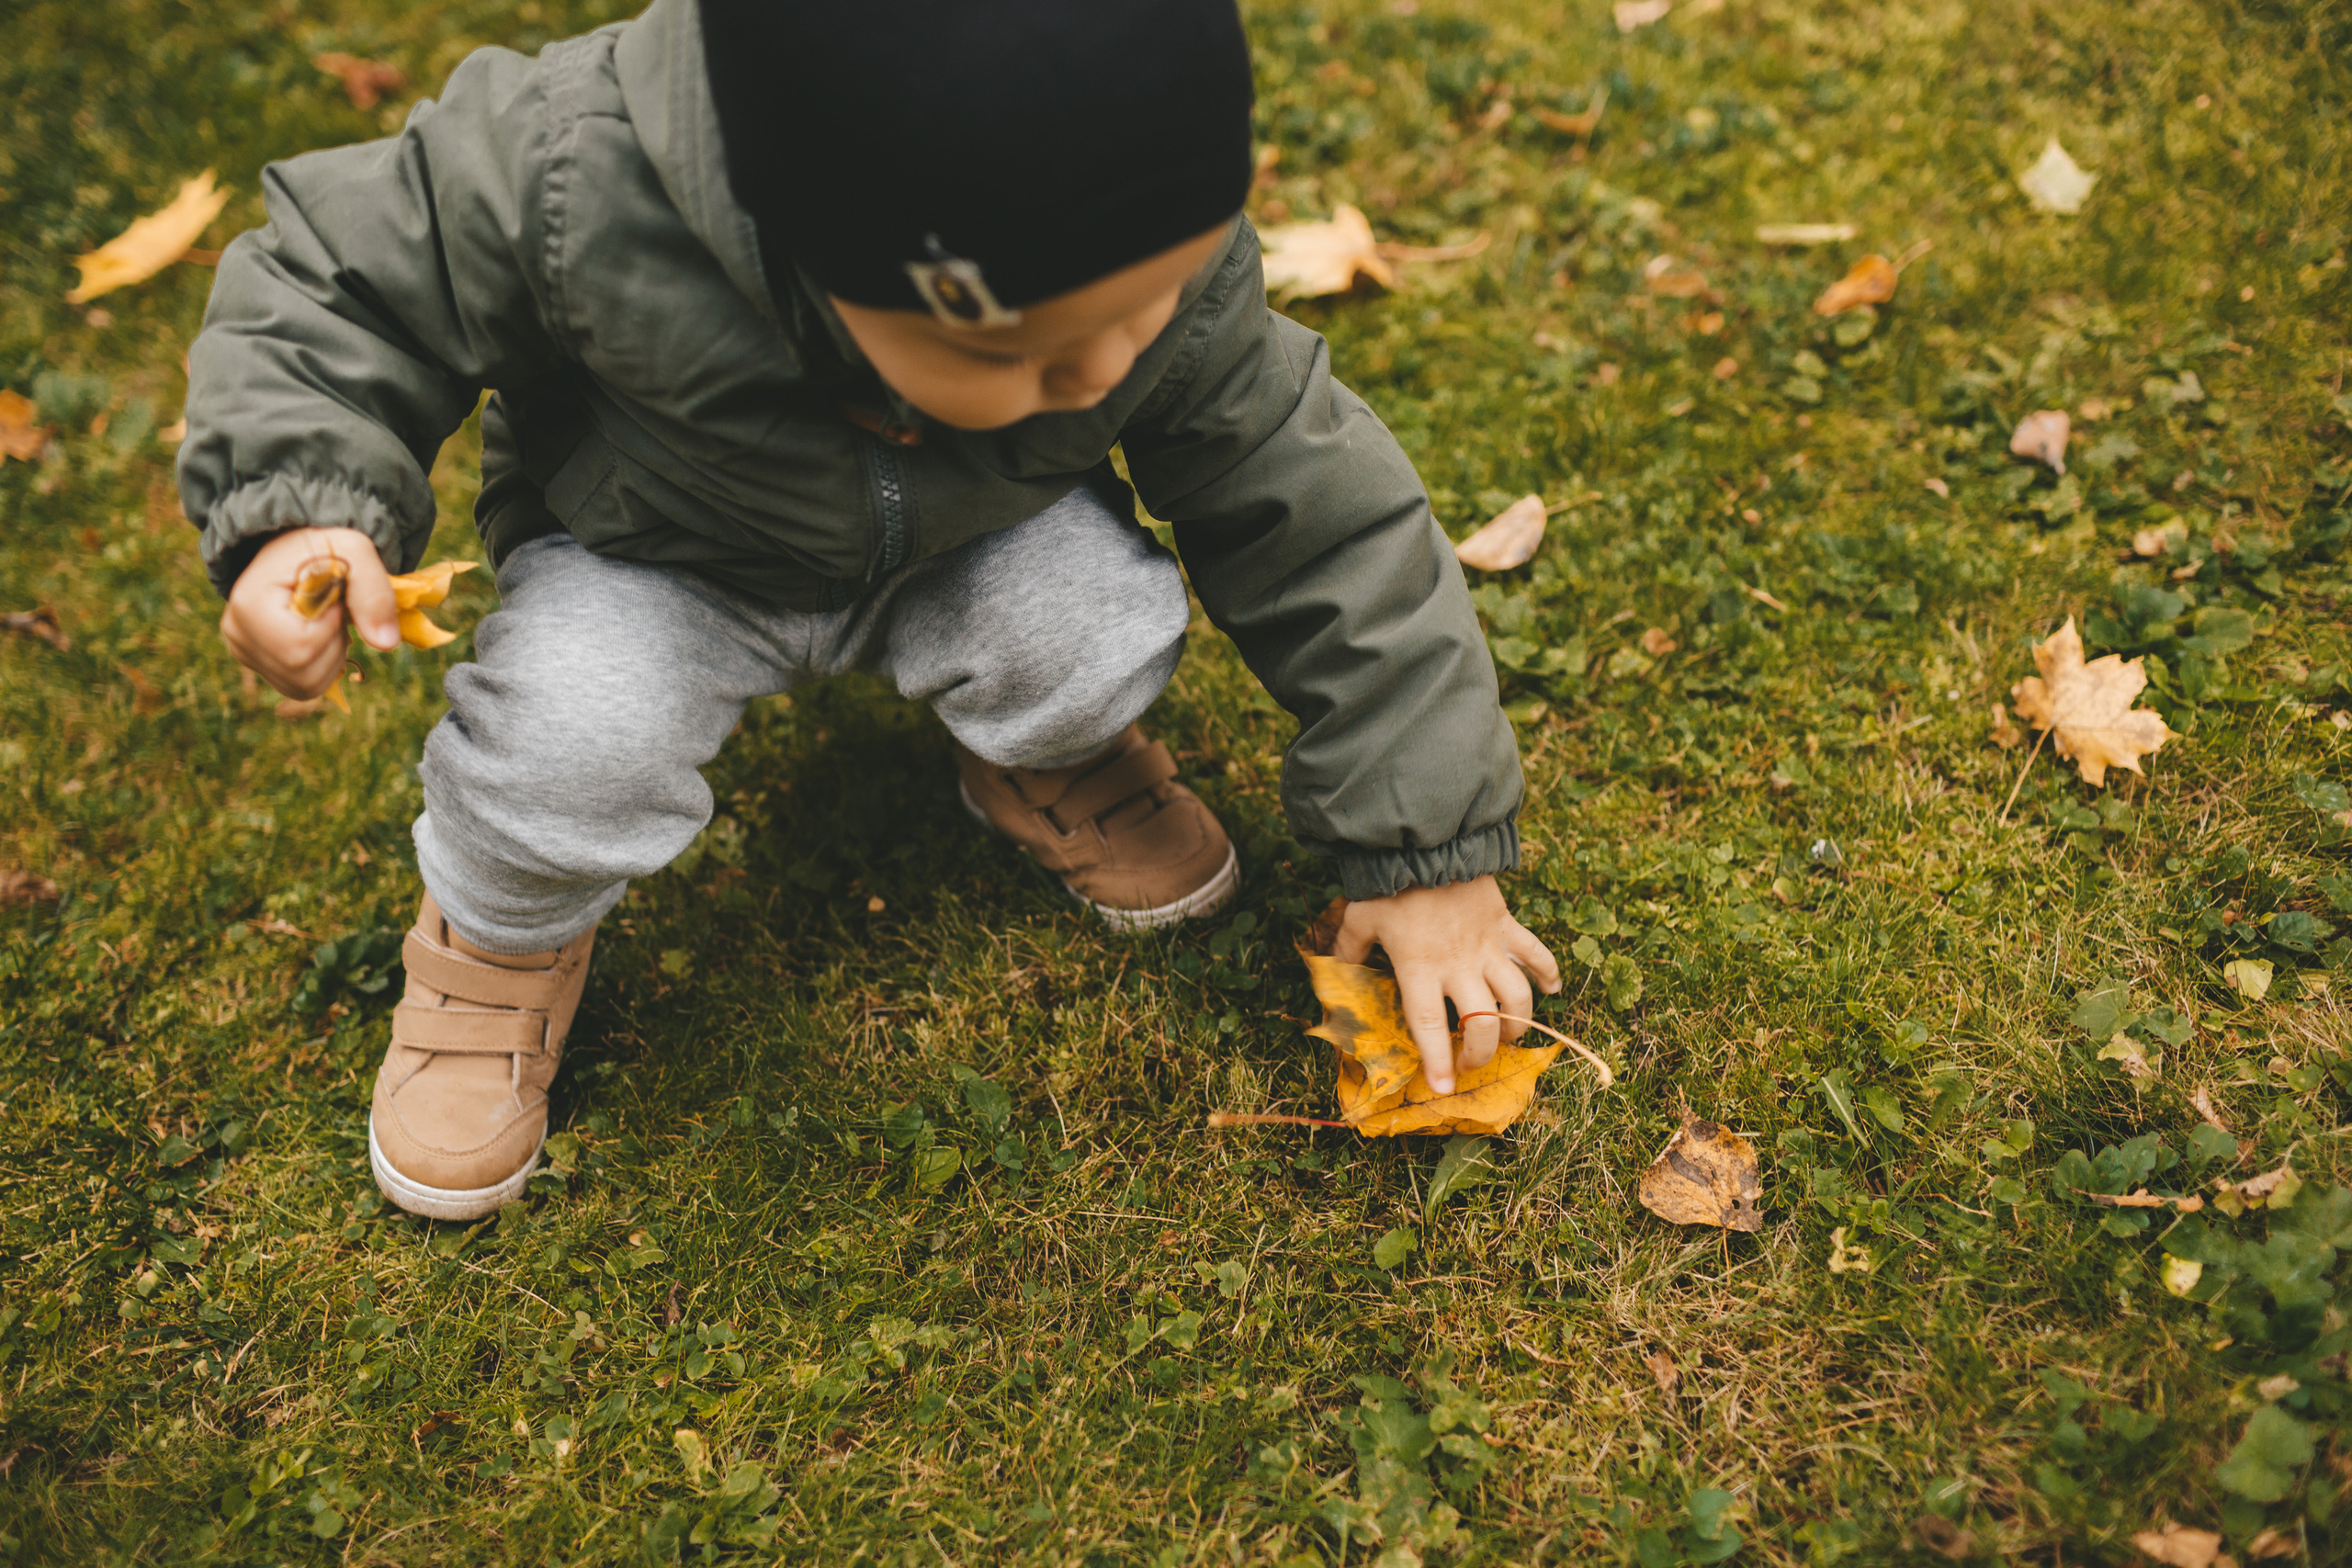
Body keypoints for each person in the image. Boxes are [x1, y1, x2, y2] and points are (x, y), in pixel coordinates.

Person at [181, 0, 1562, 1223]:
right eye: (1018, 348)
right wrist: (297, 502)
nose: (1103, 371)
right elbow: (336, 282)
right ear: (825, 263)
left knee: (1095, 629)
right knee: (567, 736)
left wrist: (1427, 851)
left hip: (969, 531)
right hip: (652, 552)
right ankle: (498, 937)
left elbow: (1319, 512)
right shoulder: (565, 169)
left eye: (1141, 309)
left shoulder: (1130, 248)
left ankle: (1040, 747)